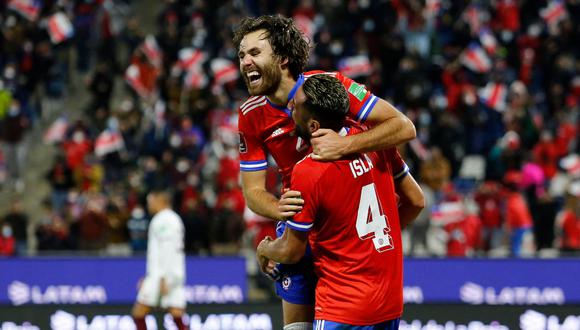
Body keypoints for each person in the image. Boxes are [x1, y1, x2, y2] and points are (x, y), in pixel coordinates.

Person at [233, 15, 416, 329]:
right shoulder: (251, 115)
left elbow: (404, 127)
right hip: (300, 231)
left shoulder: (330, 87)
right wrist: (281, 209)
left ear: (283, 57)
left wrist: (344, 146)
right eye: (241, 55)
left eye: (254, 53)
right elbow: (252, 192)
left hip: (344, 232)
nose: (245, 61)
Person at [256, 74, 424, 329]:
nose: (290, 107)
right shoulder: (375, 140)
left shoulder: (308, 171)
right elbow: (416, 201)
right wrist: (372, 240)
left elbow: (292, 251)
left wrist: (265, 248)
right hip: (389, 303)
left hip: (342, 307)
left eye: (296, 105)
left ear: (313, 126)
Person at [132, 189, 187, 330]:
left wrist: (164, 278)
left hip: (162, 275)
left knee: (139, 312)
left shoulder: (164, 220)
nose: (148, 205)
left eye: (150, 202)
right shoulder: (171, 218)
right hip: (168, 274)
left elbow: (168, 250)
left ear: (160, 201)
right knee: (176, 313)